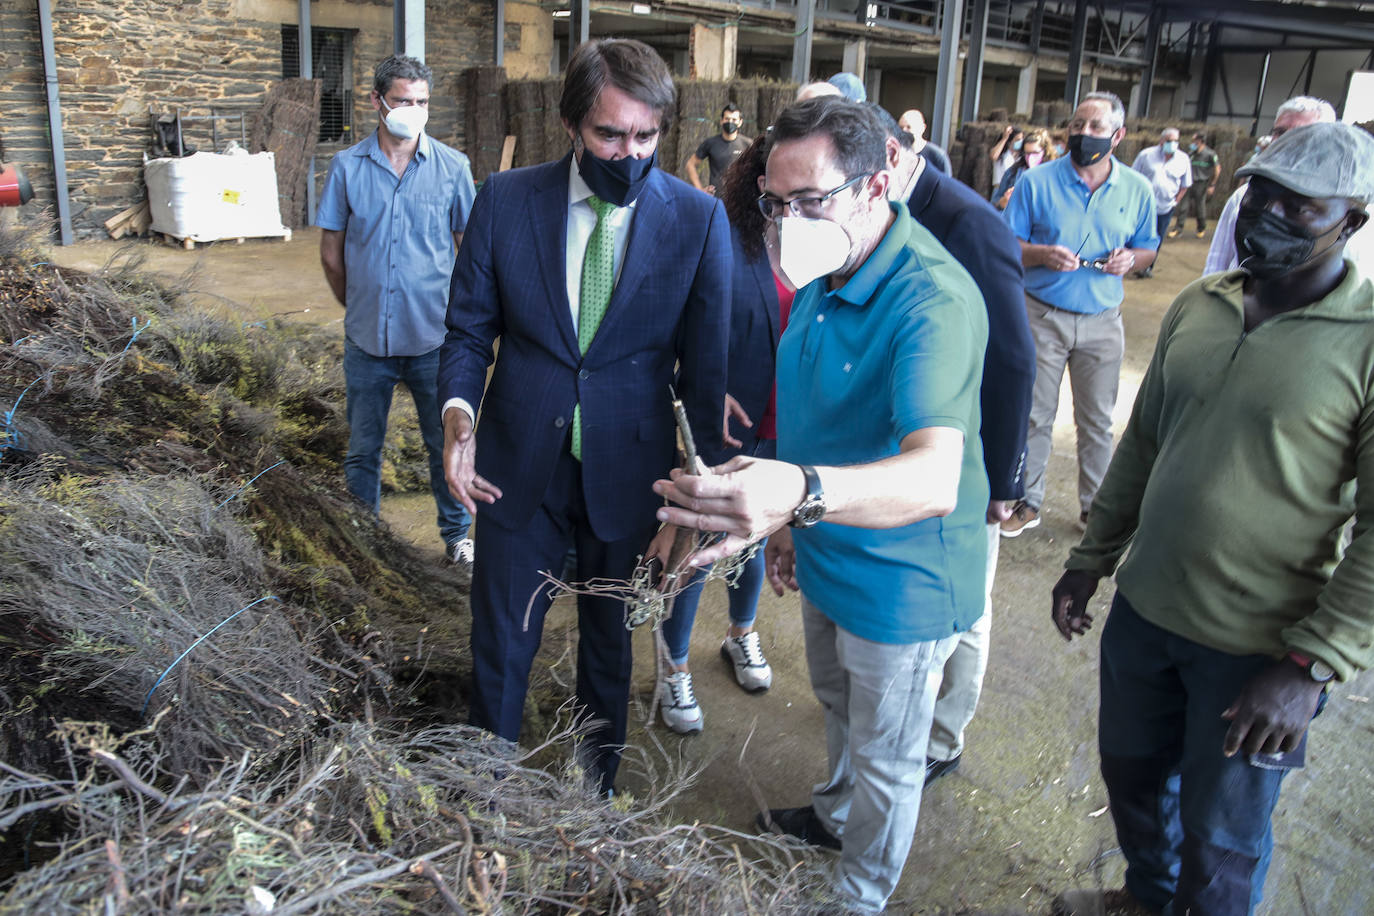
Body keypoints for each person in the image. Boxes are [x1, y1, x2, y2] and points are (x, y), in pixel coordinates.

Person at [655, 95, 989, 915]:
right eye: (776, 200)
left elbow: (932, 478)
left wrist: (798, 494)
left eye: (811, 201)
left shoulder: (931, 300)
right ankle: (836, 816)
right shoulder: (818, 277)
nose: (786, 221)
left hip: (903, 572)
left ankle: (862, 893)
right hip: (828, 541)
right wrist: (786, 522)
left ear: (876, 187)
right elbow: (808, 420)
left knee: (887, 751)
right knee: (838, 706)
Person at [1049, 121, 1374, 916]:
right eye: (1260, 192)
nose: (1269, 213)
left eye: (1301, 208)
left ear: (1353, 221)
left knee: (1221, 833)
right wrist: (1091, 558)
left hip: (1258, 649)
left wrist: (1310, 669)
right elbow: (1144, 442)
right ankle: (1148, 897)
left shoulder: (1366, 342)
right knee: (1130, 775)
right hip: (1146, 614)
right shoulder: (1201, 302)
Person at [437, 38, 730, 795]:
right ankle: (486, 793)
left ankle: (594, 792)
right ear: (571, 124)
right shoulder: (506, 201)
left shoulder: (696, 221)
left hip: (631, 475)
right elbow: (470, 330)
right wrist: (459, 417)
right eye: (609, 134)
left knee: (610, 645)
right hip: (514, 463)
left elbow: (705, 375)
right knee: (502, 640)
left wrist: (693, 502)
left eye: (646, 137)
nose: (629, 155)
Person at [873, 104, 1035, 786]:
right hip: (909, 434)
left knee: (968, 601)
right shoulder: (882, 207)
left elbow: (1015, 360)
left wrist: (1003, 482)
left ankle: (942, 737)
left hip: (964, 453)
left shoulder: (968, 221)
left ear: (885, 154)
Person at [317, 55, 476, 568]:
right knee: (364, 448)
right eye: (404, 101)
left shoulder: (453, 168)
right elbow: (331, 252)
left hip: (433, 340)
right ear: (377, 103)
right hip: (367, 342)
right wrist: (357, 302)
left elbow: (469, 252)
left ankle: (457, 536)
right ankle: (366, 537)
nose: (413, 110)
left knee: (445, 445)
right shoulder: (347, 168)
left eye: (422, 102)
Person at [656, 136, 784, 733]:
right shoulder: (727, 239)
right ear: (759, 179)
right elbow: (670, 330)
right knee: (699, 547)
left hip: (786, 429)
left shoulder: (835, 245)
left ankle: (740, 634)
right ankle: (672, 664)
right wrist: (702, 383)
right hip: (729, 425)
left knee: (755, 541)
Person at [1000, 91, 1158, 537]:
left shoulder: (1137, 190)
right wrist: (1040, 254)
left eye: (1094, 127)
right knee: (1034, 414)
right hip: (1042, 316)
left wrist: (1132, 260)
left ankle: (1095, 507)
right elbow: (1008, 246)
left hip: (1102, 321)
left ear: (1118, 135)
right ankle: (1027, 501)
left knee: (1097, 421)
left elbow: (1149, 248)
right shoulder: (1036, 182)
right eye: (1076, 125)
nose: (1082, 134)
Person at [1205, 96, 1372, 275]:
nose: (1288, 142)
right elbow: (1218, 261)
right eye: (1280, 132)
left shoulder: (1351, 212)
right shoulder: (1244, 197)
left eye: (1305, 133)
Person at [1130, 127, 1193, 277]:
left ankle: (1147, 267)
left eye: (1175, 141)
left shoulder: (1183, 159)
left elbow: (1185, 185)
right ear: (1161, 141)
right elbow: (1133, 177)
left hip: (1166, 206)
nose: (1172, 144)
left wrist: (1175, 202)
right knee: (1136, 234)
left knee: (1157, 236)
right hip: (1143, 205)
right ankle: (1131, 262)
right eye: (1169, 141)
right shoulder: (1146, 155)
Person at [683, 103, 749, 197]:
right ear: (721, 121)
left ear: (740, 122)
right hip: (717, 199)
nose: (730, 122)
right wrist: (700, 189)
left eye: (734, 120)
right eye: (727, 119)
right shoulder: (711, 143)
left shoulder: (747, 144)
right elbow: (690, 165)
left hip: (740, 199)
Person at [1171, 130, 1219, 239]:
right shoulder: (1191, 154)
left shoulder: (1210, 154)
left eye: (1194, 141)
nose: (1192, 143)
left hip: (1201, 184)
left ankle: (1201, 228)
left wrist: (1212, 184)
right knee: (1183, 206)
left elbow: (1217, 169)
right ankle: (1178, 229)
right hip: (1189, 183)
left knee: (1200, 207)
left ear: (1200, 141)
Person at [992, 127, 1052, 210]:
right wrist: (1003, 202)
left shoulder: (1053, 174)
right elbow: (995, 202)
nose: (1030, 157)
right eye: (1027, 153)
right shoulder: (1012, 172)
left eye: (1035, 153)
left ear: (1045, 152)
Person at [898, 108, 952, 175]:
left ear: (922, 128)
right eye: (900, 127)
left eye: (909, 127)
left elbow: (945, 184)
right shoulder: (895, 154)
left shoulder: (937, 157)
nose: (904, 131)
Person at [990, 124, 1024, 194]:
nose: (1021, 142)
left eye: (1022, 139)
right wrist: (1004, 138)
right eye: (1018, 140)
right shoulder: (1002, 154)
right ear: (1010, 141)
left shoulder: (1022, 156)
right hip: (999, 189)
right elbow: (993, 156)